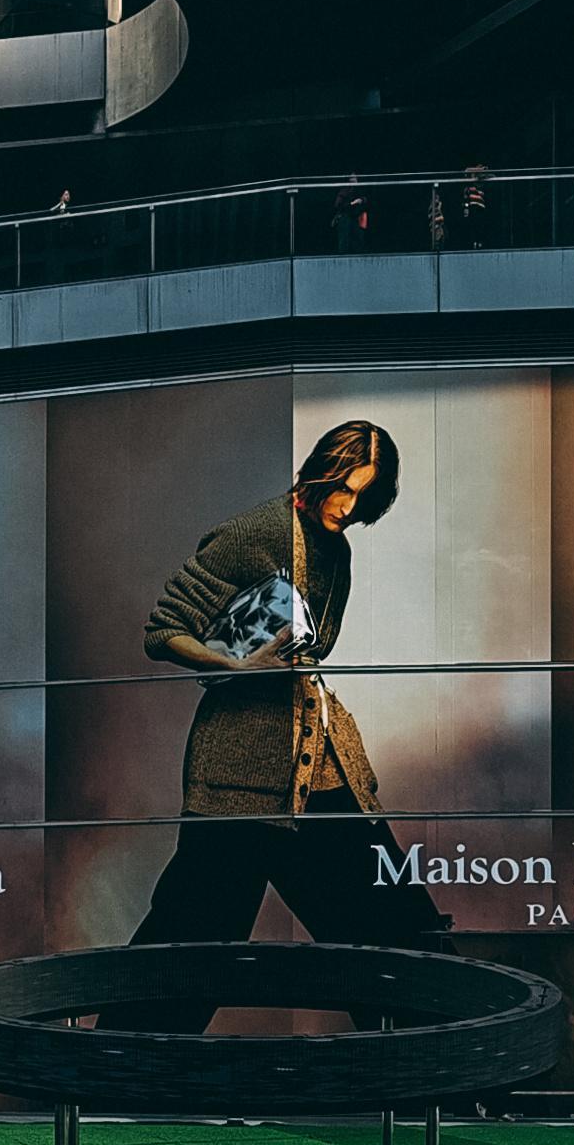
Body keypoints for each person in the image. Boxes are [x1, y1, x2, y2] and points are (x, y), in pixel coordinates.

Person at [120, 417, 449, 1020]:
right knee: (191, 945)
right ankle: (105, 1066)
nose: (348, 507)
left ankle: (441, 1062)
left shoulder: (337, 551)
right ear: (319, 472)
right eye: (342, 488)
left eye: (364, 496)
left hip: (314, 769)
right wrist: (237, 666)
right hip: (239, 779)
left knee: (394, 930)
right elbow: (162, 630)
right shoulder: (257, 532)